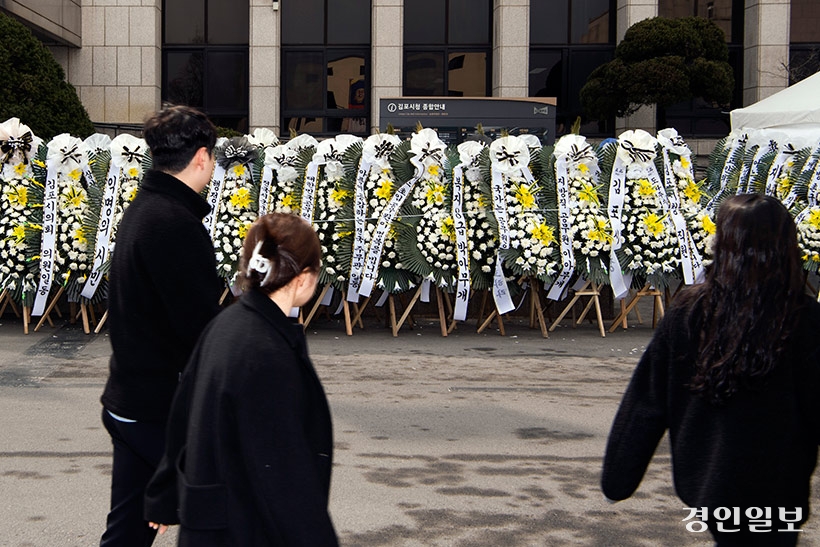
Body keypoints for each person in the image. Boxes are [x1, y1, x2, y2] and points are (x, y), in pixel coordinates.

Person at [601, 194, 820, 546]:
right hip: (779, 486)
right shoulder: (805, 317)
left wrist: (618, 479)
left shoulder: (689, 311)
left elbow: (646, 403)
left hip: (711, 483)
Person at [144, 213, 338, 546]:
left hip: (208, 520)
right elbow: (284, 475)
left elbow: (183, 413)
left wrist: (164, 494)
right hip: (241, 527)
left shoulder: (227, 324)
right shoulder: (264, 351)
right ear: (303, 278)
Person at [100, 105, 223, 546]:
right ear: (202, 157)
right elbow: (199, 331)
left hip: (131, 400)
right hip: (157, 411)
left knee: (128, 531)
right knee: (225, 510)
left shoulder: (147, 209)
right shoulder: (173, 223)